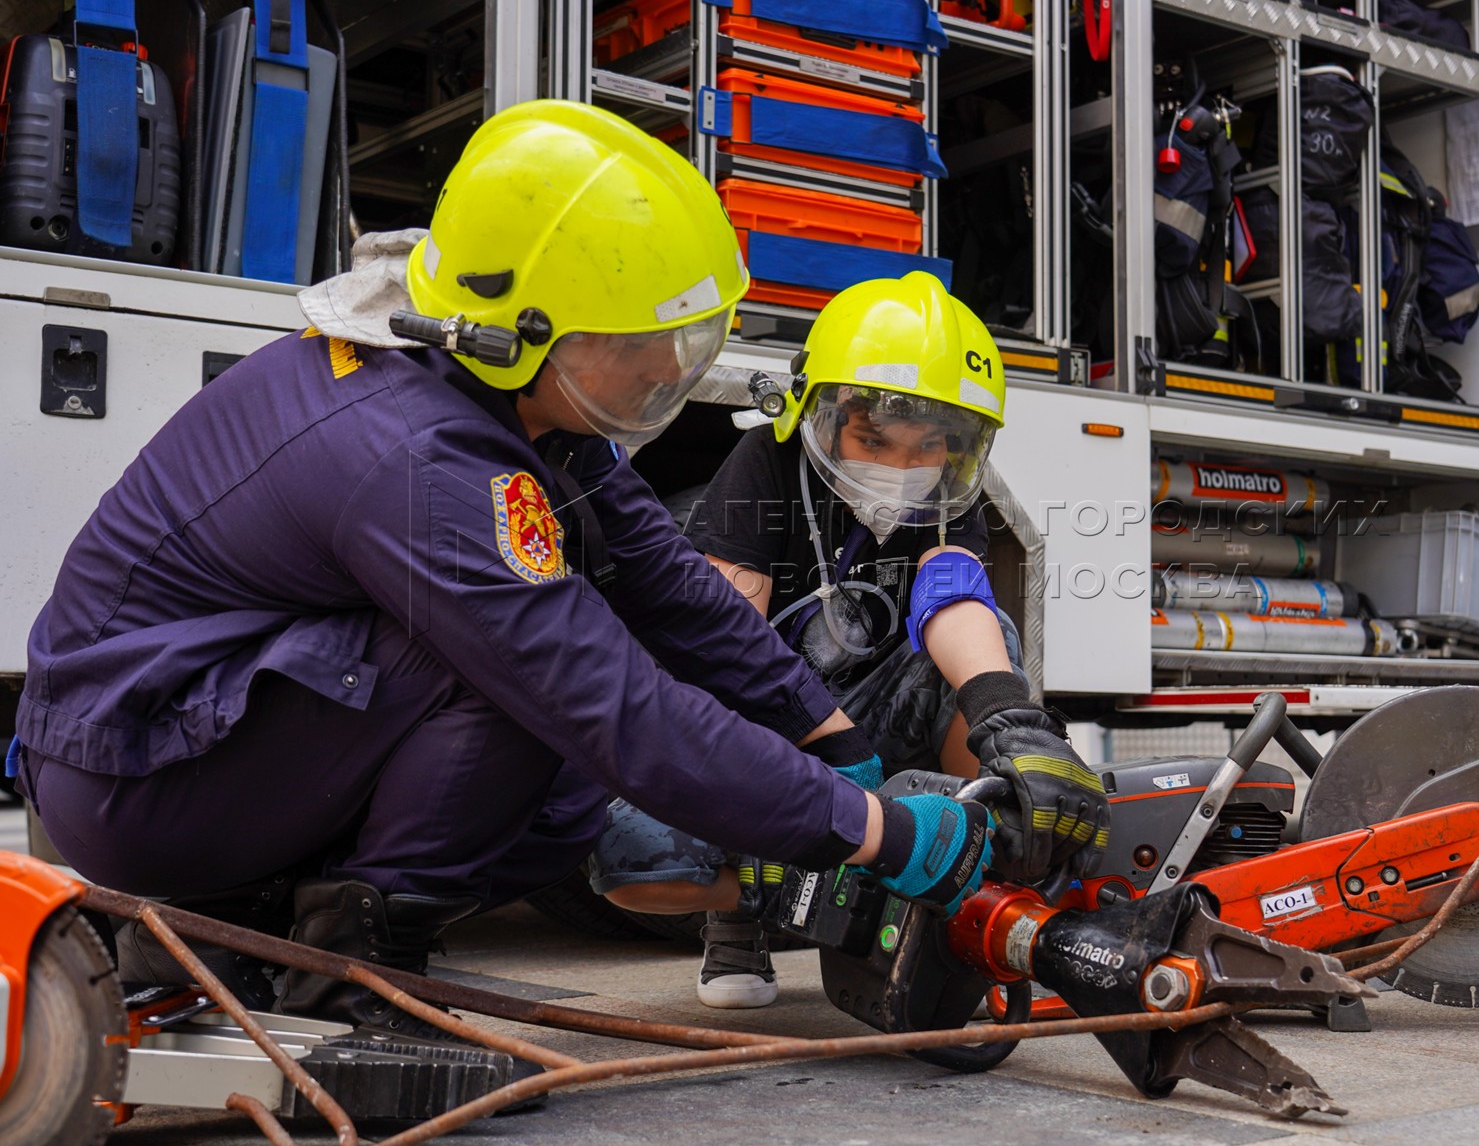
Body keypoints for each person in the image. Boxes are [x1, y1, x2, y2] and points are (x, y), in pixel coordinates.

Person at [5, 101, 992, 1036]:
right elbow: (615, 702)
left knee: (558, 797)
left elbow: (664, 577)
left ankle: (252, 927)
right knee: (523, 678)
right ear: (538, 329)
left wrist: (822, 728)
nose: (666, 367)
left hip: (195, 740)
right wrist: (875, 831)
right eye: (647, 340)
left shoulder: (500, 383)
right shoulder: (415, 457)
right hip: (136, 779)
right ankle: (350, 983)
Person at [591, 272, 1112, 1008]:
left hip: (879, 718)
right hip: (773, 724)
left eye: (927, 446)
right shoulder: (766, 466)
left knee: (986, 641)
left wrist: (1012, 720)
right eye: (875, 440)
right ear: (824, 416)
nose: (899, 469)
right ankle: (748, 909)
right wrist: (769, 805)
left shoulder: (938, 502)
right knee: (632, 859)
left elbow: (954, 599)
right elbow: (721, 649)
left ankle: (972, 885)